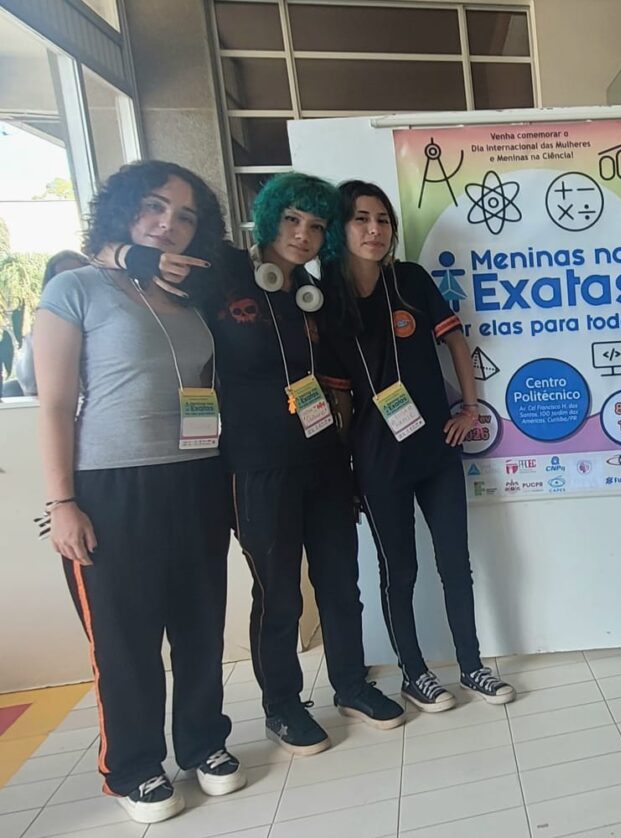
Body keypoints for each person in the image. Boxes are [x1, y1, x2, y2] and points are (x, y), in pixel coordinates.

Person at [33, 161, 244, 824]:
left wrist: (147, 256)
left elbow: (239, 266)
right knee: (125, 639)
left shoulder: (189, 295)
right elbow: (56, 404)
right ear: (123, 210)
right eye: (154, 208)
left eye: (185, 216)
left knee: (199, 622)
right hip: (110, 487)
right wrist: (62, 503)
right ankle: (133, 764)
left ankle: (204, 742)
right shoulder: (77, 288)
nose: (170, 224)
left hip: (197, 475)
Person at [208, 174, 405, 752]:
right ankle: (283, 705)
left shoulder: (312, 296)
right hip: (257, 465)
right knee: (278, 592)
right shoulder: (224, 283)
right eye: (293, 221)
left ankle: (350, 683)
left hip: (324, 459)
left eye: (317, 226)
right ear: (269, 220)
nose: (303, 235)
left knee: (342, 581)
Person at [319, 180, 514, 711]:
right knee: (398, 569)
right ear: (340, 228)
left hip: (435, 450)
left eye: (383, 220)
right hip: (377, 457)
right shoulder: (323, 301)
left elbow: (455, 339)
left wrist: (469, 409)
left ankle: (473, 666)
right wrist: (344, 468)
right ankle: (415, 673)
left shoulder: (410, 281)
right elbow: (336, 401)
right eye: (361, 219)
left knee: (456, 561)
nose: (375, 230)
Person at [13, 250, 89, 396]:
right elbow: (31, 386)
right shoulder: (40, 334)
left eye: (80, 277)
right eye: (64, 280)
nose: (73, 287)